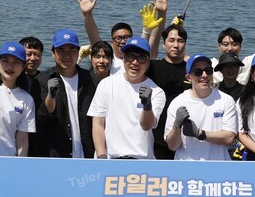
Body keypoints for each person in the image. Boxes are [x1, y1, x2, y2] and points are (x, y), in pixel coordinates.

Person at [87, 37, 166, 159]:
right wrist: (101, 156)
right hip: (109, 159)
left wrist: (147, 105)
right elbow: (98, 124)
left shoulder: (157, 92)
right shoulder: (106, 84)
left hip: (142, 160)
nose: (135, 62)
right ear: (123, 58)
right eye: (130, 56)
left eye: (141, 58)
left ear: (148, 61)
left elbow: (147, 126)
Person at [34, 29, 96, 158]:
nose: (67, 55)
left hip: (88, 154)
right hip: (56, 156)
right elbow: (41, 119)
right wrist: (51, 96)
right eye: (61, 50)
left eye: (72, 50)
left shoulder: (92, 80)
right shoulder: (42, 80)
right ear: (53, 53)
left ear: (78, 52)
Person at [164, 54, 239, 161]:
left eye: (208, 70)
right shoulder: (177, 103)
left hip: (219, 166)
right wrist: (176, 126)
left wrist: (200, 133)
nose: (204, 75)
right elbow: (172, 146)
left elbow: (229, 137)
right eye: (198, 72)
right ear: (188, 77)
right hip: (186, 167)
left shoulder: (226, 100)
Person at [146, 22, 192, 160]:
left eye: (180, 41)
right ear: (163, 44)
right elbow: (146, 52)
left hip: (187, 140)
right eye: (171, 40)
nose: (176, 45)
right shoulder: (153, 67)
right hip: (157, 140)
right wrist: (160, 18)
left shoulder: (192, 71)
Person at [213, 0, 255, 85]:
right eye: (225, 44)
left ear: (241, 46)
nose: (230, 48)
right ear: (219, 46)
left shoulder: (248, 63)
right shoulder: (211, 64)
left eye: (235, 44)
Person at [78, 0, 133, 75]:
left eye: (126, 38)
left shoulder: (138, 61)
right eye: (118, 38)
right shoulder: (108, 59)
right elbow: (93, 36)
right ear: (112, 43)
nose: (122, 41)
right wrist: (87, 15)